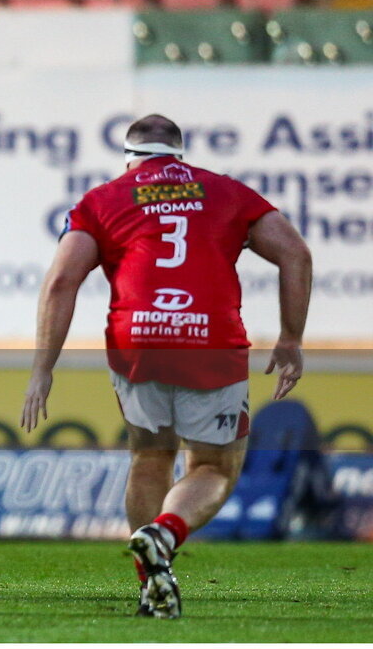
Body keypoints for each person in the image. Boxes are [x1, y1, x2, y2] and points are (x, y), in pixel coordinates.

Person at [20, 114, 311, 619]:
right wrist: (290, 338)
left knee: (150, 458)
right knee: (212, 467)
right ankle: (164, 533)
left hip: (138, 341)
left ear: (129, 156)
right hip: (210, 341)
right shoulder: (226, 193)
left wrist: (43, 367)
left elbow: (61, 281)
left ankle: (150, 581)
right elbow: (296, 256)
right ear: (179, 152)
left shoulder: (103, 199)